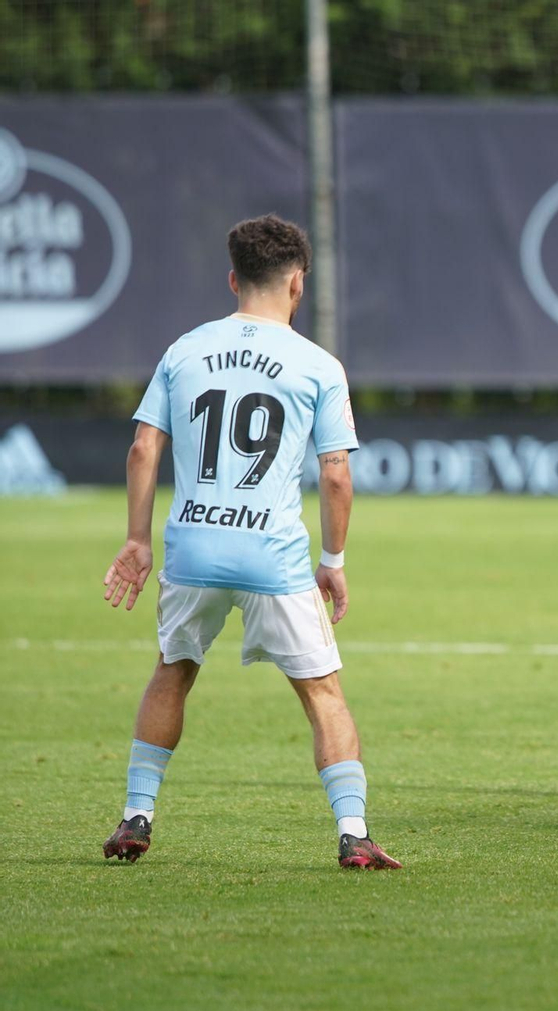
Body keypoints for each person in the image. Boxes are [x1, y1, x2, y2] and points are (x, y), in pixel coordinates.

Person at [100, 214, 400, 868]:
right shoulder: (317, 364)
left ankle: (136, 815)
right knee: (323, 694)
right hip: (273, 554)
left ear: (234, 278)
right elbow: (336, 473)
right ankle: (353, 832)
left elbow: (144, 446)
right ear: (297, 285)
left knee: (172, 673)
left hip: (193, 549)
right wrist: (334, 561)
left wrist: (136, 540)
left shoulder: (185, 349)